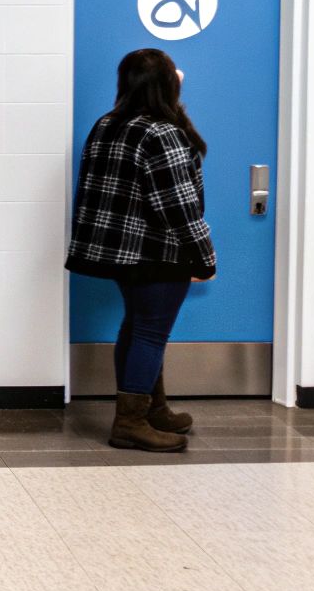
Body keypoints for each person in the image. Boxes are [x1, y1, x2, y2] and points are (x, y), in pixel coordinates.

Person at [65, 48, 216, 452]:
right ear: (167, 85)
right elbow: (179, 206)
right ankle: (130, 422)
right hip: (157, 251)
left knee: (136, 326)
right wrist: (204, 255)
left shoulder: (107, 124)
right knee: (150, 333)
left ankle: (153, 410)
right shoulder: (162, 132)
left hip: (118, 252)